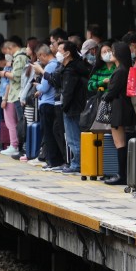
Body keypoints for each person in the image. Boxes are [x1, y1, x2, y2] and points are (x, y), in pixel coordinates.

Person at [45, 41, 88, 174]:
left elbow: (68, 91)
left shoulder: (71, 70)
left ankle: (77, 164)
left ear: (68, 53)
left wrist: (65, 106)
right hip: (77, 106)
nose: (57, 53)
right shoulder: (75, 67)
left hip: (72, 108)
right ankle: (78, 163)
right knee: (75, 136)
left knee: (73, 137)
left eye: (60, 50)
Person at [100, 42, 136, 185]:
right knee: (121, 142)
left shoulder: (120, 70)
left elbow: (112, 92)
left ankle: (122, 175)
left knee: (119, 142)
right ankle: (122, 174)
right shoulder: (124, 69)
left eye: (112, 51)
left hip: (118, 108)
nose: (110, 54)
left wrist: (105, 95)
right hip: (123, 107)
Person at [33, 46, 66, 170]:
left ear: (42, 55)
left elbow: (44, 88)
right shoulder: (57, 64)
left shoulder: (49, 66)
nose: (39, 60)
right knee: (53, 132)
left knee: (48, 134)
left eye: (39, 57)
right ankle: (54, 160)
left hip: (47, 103)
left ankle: (53, 161)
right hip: (53, 103)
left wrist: (37, 86)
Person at [0, 36, 28, 158]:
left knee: (21, 122)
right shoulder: (19, 57)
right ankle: (19, 147)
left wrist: (4, 73)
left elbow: (16, 76)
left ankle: (20, 148)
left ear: (10, 48)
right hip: (15, 93)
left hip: (18, 94)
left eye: (7, 52)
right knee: (19, 122)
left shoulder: (20, 57)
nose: (7, 55)